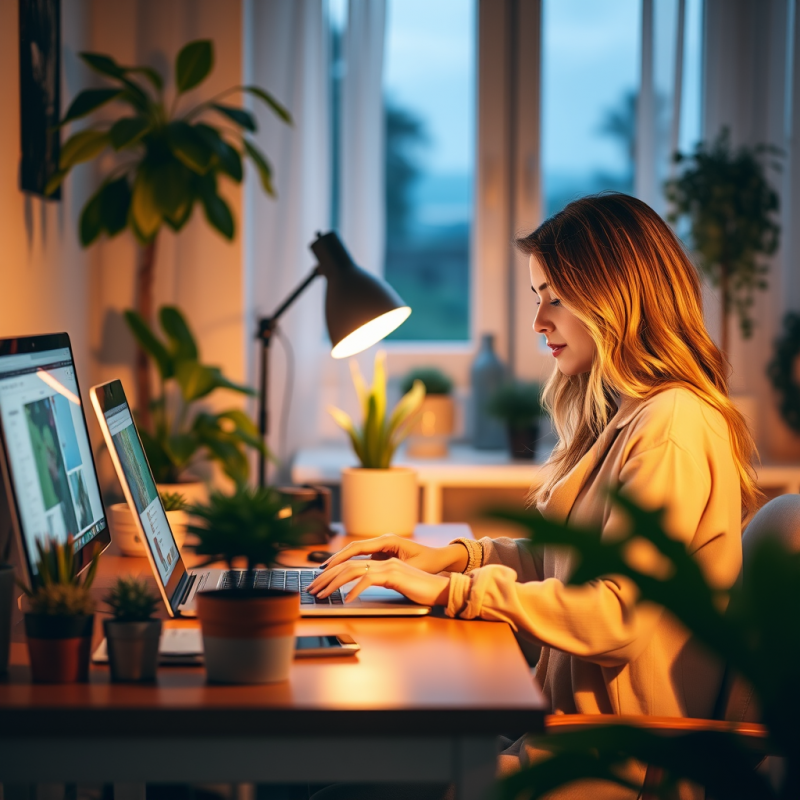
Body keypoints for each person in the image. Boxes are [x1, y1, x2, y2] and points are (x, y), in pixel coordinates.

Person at [307, 193, 759, 800]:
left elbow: (616, 614)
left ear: (615, 297)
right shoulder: (631, 413)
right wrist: (454, 558)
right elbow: (567, 562)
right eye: (536, 297)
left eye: (555, 298)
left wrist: (454, 592)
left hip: (613, 765)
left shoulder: (673, 425)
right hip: (561, 735)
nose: (538, 321)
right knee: (349, 763)